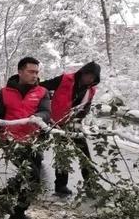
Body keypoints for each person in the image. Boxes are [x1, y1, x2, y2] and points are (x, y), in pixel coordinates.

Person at [0, 57, 50, 219]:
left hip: (33, 141)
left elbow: (45, 112)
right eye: (31, 72)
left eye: (36, 72)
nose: (35, 75)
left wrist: (37, 118)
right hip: (10, 141)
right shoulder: (4, 92)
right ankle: (18, 214)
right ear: (20, 72)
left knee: (29, 172)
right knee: (33, 176)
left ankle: (5, 194)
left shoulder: (42, 92)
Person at [40, 62, 101, 196]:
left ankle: (91, 184)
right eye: (88, 75)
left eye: (93, 77)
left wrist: (77, 118)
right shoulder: (65, 79)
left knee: (84, 154)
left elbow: (86, 107)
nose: (89, 79)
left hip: (75, 124)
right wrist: (45, 100)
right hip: (59, 124)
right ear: (83, 72)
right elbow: (42, 86)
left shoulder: (91, 90)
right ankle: (61, 186)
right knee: (62, 154)